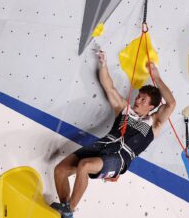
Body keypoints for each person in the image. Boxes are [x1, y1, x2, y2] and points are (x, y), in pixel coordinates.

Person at [51, 49, 176, 218]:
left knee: (85, 166)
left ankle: (71, 209)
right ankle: (66, 209)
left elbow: (171, 104)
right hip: (101, 146)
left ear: (151, 107)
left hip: (119, 158)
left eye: (143, 100)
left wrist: (156, 76)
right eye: (139, 96)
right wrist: (103, 63)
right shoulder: (124, 109)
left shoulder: (154, 123)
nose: (137, 100)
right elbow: (108, 86)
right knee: (60, 170)